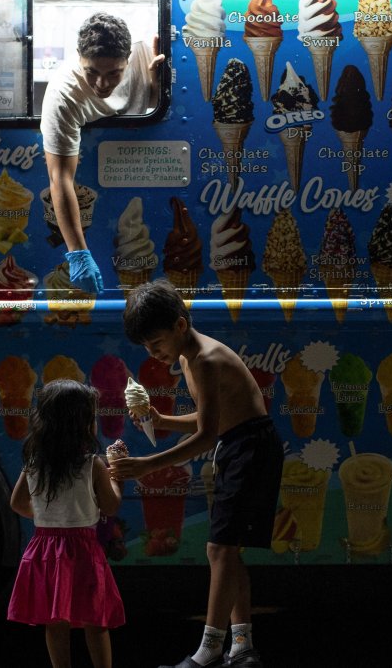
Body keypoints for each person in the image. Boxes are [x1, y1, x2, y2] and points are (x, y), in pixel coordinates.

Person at [112, 279, 283, 668]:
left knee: (219, 549)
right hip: (241, 445)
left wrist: (145, 466)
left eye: (155, 342)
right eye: (145, 347)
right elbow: (214, 417)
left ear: (179, 325)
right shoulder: (189, 357)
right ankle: (242, 648)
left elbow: (207, 434)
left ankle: (208, 652)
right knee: (228, 547)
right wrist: (160, 419)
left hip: (250, 449)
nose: (152, 353)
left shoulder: (204, 359)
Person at [41, 12, 165, 293]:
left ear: (128, 58)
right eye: (92, 72)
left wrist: (159, 88)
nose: (101, 84)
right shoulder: (64, 94)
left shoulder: (145, 55)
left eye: (113, 73)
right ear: (78, 57)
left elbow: (156, 109)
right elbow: (59, 177)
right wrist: (78, 254)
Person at [7, 379, 126, 668]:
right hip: (83, 550)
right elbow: (110, 506)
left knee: (55, 620)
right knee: (95, 620)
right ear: (82, 424)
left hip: (45, 549)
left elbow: (17, 503)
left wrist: (50, 517)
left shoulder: (34, 461)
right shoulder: (92, 464)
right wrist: (117, 473)